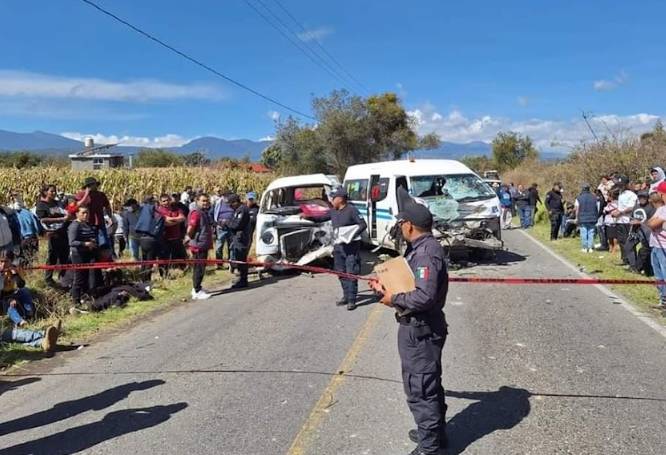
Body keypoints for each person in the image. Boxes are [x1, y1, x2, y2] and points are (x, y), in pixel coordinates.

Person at [369, 195, 448, 455]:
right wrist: (386, 287)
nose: (400, 227)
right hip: (421, 327)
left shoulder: (425, 253)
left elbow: (424, 296)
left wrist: (394, 299)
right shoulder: (422, 247)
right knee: (428, 383)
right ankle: (434, 433)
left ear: (410, 225)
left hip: (421, 330)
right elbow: (414, 285)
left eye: (402, 222)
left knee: (421, 387)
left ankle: (430, 447)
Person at [330, 187, 367, 311]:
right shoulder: (333, 211)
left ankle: (352, 300)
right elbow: (320, 217)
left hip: (351, 247)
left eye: (333, 198)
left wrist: (352, 235)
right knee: (340, 272)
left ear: (340, 199)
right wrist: (305, 216)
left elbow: (363, 224)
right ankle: (346, 296)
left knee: (351, 273)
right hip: (338, 247)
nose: (331, 200)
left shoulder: (352, 210)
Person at [36, 184, 70, 287]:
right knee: (52, 257)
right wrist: (60, 219)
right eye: (52, 191)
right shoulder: (42, 205)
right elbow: (43, 219)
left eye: (55, 191)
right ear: (46, 192)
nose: (54, 193)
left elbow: (65, 211)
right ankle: (48, 279)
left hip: (63, 232)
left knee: (64, 256)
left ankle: (64, 278)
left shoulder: (56, 203)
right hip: (53, 233)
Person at [75, 177, 115, 261]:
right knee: (91, 245)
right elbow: (77, 205)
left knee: (103, 245)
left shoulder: (101, 194)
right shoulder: (81, 194)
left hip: (100, 223)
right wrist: (86, 194)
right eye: (92, 185)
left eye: (95, 184)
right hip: (88, 223)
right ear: (87, 186)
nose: (95, 186)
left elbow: (107, 206)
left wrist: (110, 216)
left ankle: (105, 264)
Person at [68, 206, 98, 305]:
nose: (86, 215)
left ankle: (87, 298)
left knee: (90, 277)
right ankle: (75, 301)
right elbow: (72, 242)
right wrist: (85, 244)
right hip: (78, 255)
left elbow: (91, 235)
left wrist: (93, 242)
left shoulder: (87, 225)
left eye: (87, 213)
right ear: (77, 214)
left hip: (89, 253)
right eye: (83, 213)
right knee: (79, 278)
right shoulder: (74, 225)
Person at [185, 193, 213, 300]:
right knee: (199, 268)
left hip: (203, 244)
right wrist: (189, 238)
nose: (205, 203)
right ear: (197, 201)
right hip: (198, 245)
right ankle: (197, 291)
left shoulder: (203, 212)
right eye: (203, 201)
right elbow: (191, 227)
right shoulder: (196, 213)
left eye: (207, 200)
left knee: (200, 267)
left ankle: (197, 287)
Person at [134, 196, 165, 284]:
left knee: (144, 261)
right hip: (152, 239)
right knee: (149, 261)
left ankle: (143, 280)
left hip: (142, 238)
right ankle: (147, 282)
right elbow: (158, 230)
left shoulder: (144, 212)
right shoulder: (157, 214)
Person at [0, 250, 34, 327]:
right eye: (1, 261)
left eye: (6, 261)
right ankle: (20, 321)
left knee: (24, 290)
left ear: (11, 261)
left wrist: (15, 274)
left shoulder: (14, 268)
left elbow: (21, 284)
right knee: (10, 307)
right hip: (2, 297)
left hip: (11, 292)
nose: (3, 264)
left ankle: (29, 313)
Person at [224, 194, 252, 289]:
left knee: (241, 259)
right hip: (237, 237)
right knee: (238, 259)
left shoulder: (242, 210)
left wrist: (227, 223)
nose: (230, 206)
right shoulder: (237, 210)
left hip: (241, 238)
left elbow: (236, 225)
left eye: (231, 204)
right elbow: (233, 222)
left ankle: (243, 280)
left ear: (235, 202)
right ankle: (241, 278)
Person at [646, 182, 666, 310]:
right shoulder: (661, 209)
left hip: (663, 246)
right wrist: (653, 222)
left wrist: (654, 222)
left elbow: (653, 224)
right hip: (655, 245)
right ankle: (663, 299)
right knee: (658, 275)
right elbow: (650, 222)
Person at [625, 191, 655, 275]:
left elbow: (653, 221)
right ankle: (633, 266)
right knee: (628, 247)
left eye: (644, 197)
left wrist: (640, 222)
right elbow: (632, 217)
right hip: (635, 231)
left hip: (646, 232)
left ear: (647, 198)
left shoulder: (651, 207)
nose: (642, 199)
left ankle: (639, 268)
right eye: (640, 197)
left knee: (644, 251)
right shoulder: (636, 206)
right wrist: (631, 221)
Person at [156, 194, 187, 273]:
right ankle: (165, 273)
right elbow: (165, 222)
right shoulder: (159, 210)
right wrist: (177, 220)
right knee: (164, 258)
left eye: (167, 200)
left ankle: (183, 271)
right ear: (160, 202)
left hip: (176, 237)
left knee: (181, 256)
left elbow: (183, 218)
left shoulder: (176, 209)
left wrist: (171, 220)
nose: (166, 202)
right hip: (165, 238)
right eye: (164, 201)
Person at [613, 176, 639, 264]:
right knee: (621, 240)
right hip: (619, 220)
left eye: (622, 185)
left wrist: (620, 212)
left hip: (627, 221)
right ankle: (624, 259)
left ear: (627, 185)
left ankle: (631, 260)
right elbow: (620, 207)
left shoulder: (631, 195)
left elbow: (631, 207)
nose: (620, 186)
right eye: (619, 185)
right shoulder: (620, 194)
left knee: (628, 241)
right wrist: (616, 211)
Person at [11, 197, 42, 263]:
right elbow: (37, 227)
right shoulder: (29, 213)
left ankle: (25, 271)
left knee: (21, 259)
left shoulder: (12, 215)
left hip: (21, 239)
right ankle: (31, 271)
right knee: (33, 258)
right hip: (32, 238)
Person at [213, 191, 234, 268]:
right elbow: (212, 214)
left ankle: (231, 263)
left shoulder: (232, 204)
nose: (226, 198)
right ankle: (219, 263)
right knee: (219, 246)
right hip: (221, 227)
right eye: (225, 196)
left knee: (231, 246)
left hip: (231, 227)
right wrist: (217, 223)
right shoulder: (218, 203)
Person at [575, 183, 598, 252]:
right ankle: (590, 247)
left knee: (583, 232)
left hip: (582, 218)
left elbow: (577, 209)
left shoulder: (579, 198)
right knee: (591, 232)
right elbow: (596, 208)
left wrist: (577, 218)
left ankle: (584, 247)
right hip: (592, 217)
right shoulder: (594, 197)